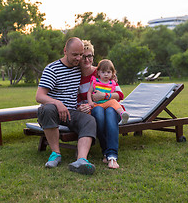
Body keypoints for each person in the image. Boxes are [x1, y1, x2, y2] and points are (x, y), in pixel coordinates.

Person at [36, 37, 97, 175]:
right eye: (75, 54)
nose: (79, 58)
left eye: (81, 54)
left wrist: (112, 77)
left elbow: (95, 70)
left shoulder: (78, 68)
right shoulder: (52, 69)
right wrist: (58, 103)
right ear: (65, 51)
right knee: (48, 108)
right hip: (52, 112)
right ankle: (56, 154)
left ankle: (81, 160)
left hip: (71, 112)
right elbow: (39, 96)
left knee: (89, 120)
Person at [77, 40, 125, 169]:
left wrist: (105, 96)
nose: (87, 60)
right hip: (94, 109)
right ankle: (106, 152)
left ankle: (112, 156)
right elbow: (74, 100)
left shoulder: (103, 71)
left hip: (112, 106)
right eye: (83, 56)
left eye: (90, 56)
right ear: (78, 57)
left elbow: (119, 95)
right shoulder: (75, 77)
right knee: (99, 113)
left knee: (109, 112)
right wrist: (80, 107)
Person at [87, 59, 129, 124]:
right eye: (103, 72)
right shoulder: (95, 81)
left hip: (108, 103)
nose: (106, 74)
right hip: (97, 104)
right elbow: (89, 92)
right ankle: (88, 122)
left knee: (114, 102)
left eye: (108, 72)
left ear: (112, 73)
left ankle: (122, 114)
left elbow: (121, 95)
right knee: (88, 109)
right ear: (98, 72)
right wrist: (90, 102)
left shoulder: (112, 83)